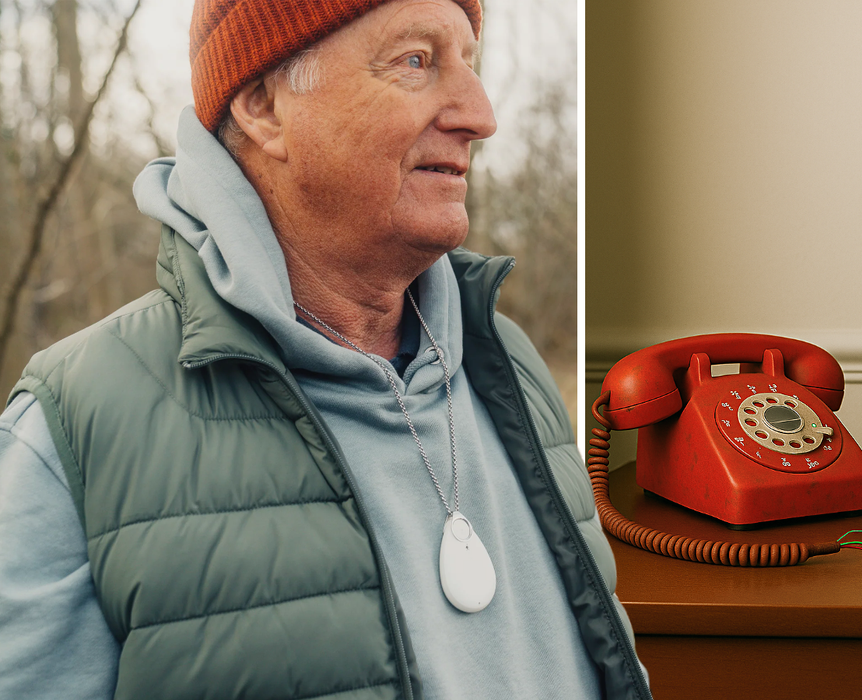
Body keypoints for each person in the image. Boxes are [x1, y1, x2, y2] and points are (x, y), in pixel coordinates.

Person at [0, 0, 649, 698]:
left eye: (471, 63)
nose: (479, 114)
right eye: (415, 61)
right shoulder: (70, 431)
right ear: (263, 105)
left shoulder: (510, 364)